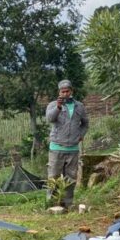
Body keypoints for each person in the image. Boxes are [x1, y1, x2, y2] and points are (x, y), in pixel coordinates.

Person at [45, 79, 89, 209]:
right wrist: (58, 107)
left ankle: (67, 204)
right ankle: (51, 204)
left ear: (71, 91)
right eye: (62, 91)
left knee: (70, 178)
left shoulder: (79, 106)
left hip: (73, 149)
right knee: (54, 177)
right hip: (56, 148)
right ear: (59, 92)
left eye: (67, 91)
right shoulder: (53, 105)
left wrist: (80, 135)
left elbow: (85, 123)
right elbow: (49, 119)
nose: (65, 94)